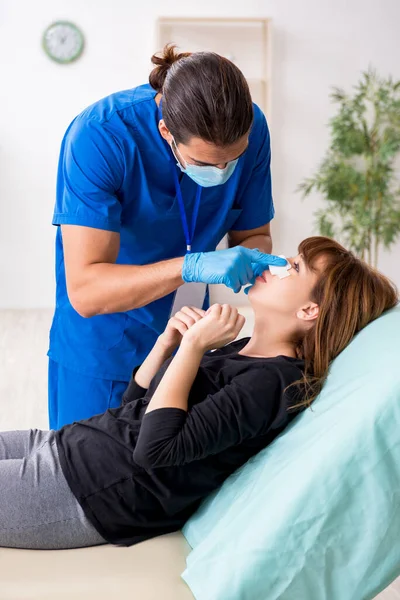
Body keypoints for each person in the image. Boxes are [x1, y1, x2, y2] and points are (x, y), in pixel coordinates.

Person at [1, 237, 397, 550]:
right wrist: (168, 343)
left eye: (294, 267)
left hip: (86, 491)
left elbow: (154, 450)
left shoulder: (274, 384)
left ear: (310, 311)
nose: (276, 263)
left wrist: (192, 349)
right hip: (65, 446)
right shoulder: (238, 346)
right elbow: (135, 410)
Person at [48, 44, 286, 430]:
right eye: (206, 163)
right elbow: (87, 292)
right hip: (106, 342)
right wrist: (193, 266)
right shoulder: (101, 137)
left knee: (163, 471)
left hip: (190, 338)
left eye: (233, 159)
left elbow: (256, 236)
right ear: (166, 131)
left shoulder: (252, 130)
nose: (223, 171)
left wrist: (253, 263)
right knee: (85, 471)